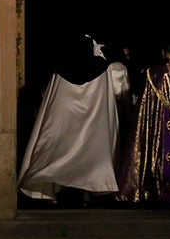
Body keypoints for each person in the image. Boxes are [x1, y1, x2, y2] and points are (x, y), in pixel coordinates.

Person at [18, 34, 128, 203]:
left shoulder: (61, 69)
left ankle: (58, 187)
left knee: (59, 147)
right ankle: (88, 189)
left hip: (64, 125)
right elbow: (112, 98)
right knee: (90, 151)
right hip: (92, 127)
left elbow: (51, 107)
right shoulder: (103, 68)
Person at [117, 42, 170, 205]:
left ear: (163, 52)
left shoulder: (152, 73)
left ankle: (155, 191)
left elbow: (143, 111)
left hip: (160, 128)